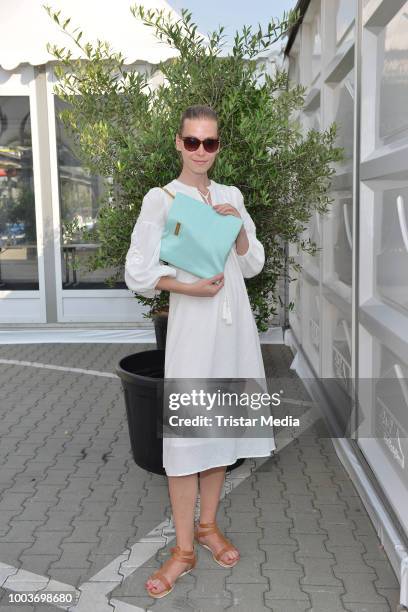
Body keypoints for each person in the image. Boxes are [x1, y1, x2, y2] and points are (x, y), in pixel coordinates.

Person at [124, 104, 276, 598]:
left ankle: (208, 527)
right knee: (187, 443)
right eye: (193, 142)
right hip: (192, 329)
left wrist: (239, 230)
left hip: (233, 332)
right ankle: (184, 550)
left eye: (210, 143)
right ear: (178, 143)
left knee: (221, 432)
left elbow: (252, 264)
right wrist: (188, 290)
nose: (201, 152)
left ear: (218, 147)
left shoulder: (231, 194)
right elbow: (139, 273)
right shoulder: (161, 199)